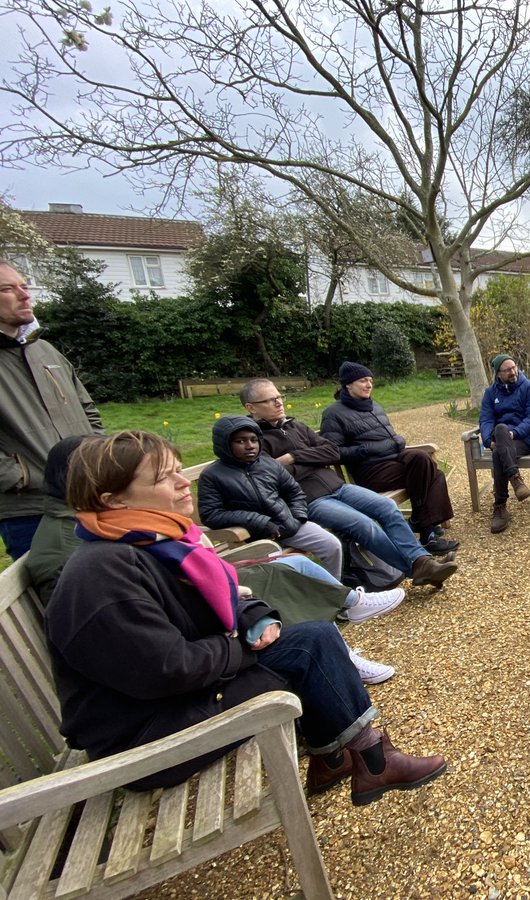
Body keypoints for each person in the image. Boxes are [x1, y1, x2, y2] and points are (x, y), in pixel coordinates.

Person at [45, 431, 446, 803]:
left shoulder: (153, 542)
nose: (185, 482)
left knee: (316, 637)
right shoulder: (102, 575)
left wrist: (256, 618)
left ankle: (338, 759)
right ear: (114, 500)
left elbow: (227, 590)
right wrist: (241, 645)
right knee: (308, 656)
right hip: (150, 736)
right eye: (165, 479)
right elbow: (168, 669)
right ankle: (372, 761)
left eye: (177, 471)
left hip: (182, 699)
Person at [27, 434, 401, 685]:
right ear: (93, 482)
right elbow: (128, 638)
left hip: (207, 605)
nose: (179, 483)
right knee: (280, 576)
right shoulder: (85, 548)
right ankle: (341, 637)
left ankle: (351, 604)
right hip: (188, 654)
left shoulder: (114, 526)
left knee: (290, 566)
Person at [241, 379, 457, 588]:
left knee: (388, 508)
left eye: (279, 397)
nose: (279, 403)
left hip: (339, 487)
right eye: (270, 400)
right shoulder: (252, 441)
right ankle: (418, 569)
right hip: (310, 499)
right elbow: (271, 475)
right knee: (363, 524)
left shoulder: (295, 426)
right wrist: (313, 459)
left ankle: (422, 562)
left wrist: (293, 457)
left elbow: (332, 451)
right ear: (251, 407)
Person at [0, 259, 105, 558]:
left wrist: (97, 456)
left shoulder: (45, 350)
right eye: (8, 289)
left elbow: (88, 410)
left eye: (24, 285)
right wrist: (23, 476)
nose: (25, 295)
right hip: (31, 510)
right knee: (63, 596)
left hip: (88, 494)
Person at [321, 362, 457, 554]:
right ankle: (427, 534)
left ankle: (419, 521)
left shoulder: (374, 406)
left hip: (395, 459)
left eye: (370, 380)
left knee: (423, 459)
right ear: (347, 385)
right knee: (434, 475)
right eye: (362, 381)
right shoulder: (333, 414)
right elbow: (332, 452)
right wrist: (361, 450)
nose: (369, 385)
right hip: (371, 470)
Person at [199, 416, 345, 576]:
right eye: (240, 442)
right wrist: (260, 522)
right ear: (225, 444)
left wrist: (297, 516)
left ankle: (331, 592)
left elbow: (294, 492)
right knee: (283, 570)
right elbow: (211, 514)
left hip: (289, 525)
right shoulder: (213, 476)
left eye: (254, 440)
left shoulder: (269, 464)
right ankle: (300, 598)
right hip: (252, 537)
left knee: (332, 545)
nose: (250, 446)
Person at [480, 353, 530, 534]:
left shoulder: (528, 387)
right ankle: (516, 481)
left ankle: (500, 506)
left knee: (501, 438)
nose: (512, 372)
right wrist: (487, 441)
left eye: (514, 368)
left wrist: (513, 433)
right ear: (498, 374)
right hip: (501, 440)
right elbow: (485, 420)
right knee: (499, 432)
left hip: (523, 439)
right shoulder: (491, 393)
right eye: (507, 370)